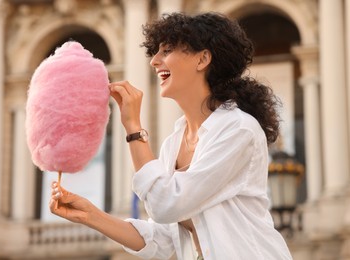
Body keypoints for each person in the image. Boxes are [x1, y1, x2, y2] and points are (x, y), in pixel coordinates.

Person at [49, 12, 293, 260]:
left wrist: (134, 127)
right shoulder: (173, 143)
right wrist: (91, 215)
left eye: (166, 51)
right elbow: (163, 240)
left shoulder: (238, 129)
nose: (154, 61)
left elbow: (166, 204)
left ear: (203, 58)